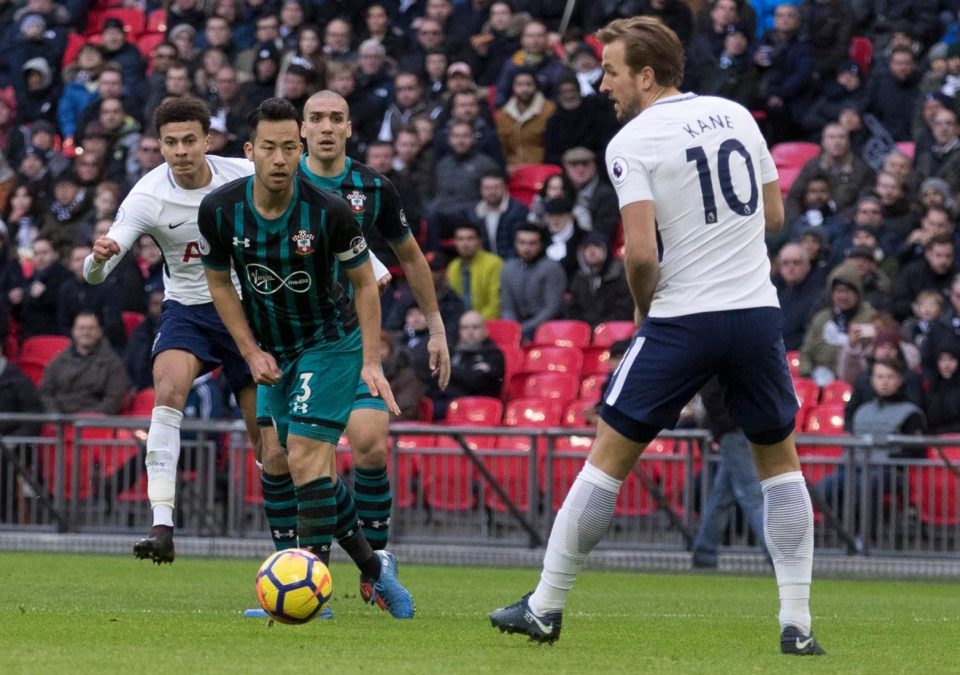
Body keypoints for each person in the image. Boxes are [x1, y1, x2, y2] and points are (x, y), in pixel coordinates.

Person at [490, 17, 824, 656]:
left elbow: (640, 254)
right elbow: (774, 216)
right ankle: (797, 624)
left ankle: (545, 606)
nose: (605, 84)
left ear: (645, 74)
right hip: (755, 313)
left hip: (683, 317)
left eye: (612, 71)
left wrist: (644, 311)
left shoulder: (631, 141)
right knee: (780, 466)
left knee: (608, 458)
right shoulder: (735, 113)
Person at [199, 97, 413, 619]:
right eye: (268, 148)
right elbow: (219, 283)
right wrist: (249, 351)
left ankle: (307, 592)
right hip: (272, 348)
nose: (279, 158)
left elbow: (366, 285)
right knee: (275, 457)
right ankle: (372, 568)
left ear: (299, 150)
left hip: (329, 342)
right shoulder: (220, 209)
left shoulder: (329, 212)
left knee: (304, 457)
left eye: (288, 148)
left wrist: (369, 361)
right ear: (250, 151)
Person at [256, 90, 450, 591]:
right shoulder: (276, 182)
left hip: (348, 341)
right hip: (285, 338)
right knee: (279, 455)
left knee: (367, 442)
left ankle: (377, 564)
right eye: (315, 118)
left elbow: (410, 257)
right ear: (300, 130)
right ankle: (294, 571)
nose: (324, 127)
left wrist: (436, 327)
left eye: (335, 118)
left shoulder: (372, 187)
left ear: (348, 128)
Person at [83, 97, 262, 565]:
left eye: (189, 140)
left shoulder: (243, 174)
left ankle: (296, 542)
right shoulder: (147, 195)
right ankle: (162, 524)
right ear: (159, 145)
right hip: (188, 309)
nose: (180, 150)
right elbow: (96, 273)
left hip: (247, 309)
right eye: (170, 142)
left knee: (268, 439)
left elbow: (316, 207)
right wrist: (96, 259)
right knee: (167, 393)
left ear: (207, 140)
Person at [690, 377, 768, 569]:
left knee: (723, 496)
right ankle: (779, 554)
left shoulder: (714, 358)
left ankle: (704, 552)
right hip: (739, 430)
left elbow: (711, 396)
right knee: (751, 495)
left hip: (734, 430)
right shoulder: (729, 358)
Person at [38, 311, 129, 415]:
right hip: (59, 420)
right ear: (73, 331)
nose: (85, 333)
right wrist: (55, 415)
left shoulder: (113, 363)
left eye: (91, 328)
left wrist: (87, 418)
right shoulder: (59, 360)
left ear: (99, 332)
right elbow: (45, 392)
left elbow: (114, 400)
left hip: (93, 423)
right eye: (81, 328)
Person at [432, 310, 505, 419]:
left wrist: (450, 372)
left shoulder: (494, 354)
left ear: (485, 330)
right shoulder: (452, 352)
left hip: (478, 408)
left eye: (475, 327)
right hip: (447, 402)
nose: (470, 332)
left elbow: (476, 382)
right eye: (465, 328)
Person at [499, 223, 566, 342]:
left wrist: (523, 328)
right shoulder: (508, 268)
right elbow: (508, 307)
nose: (526, 248)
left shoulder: (552, 268)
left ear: (541, 244)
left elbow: (552, 308)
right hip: (518, 329)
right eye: (522, 243)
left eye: (532, 243)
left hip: (548, 330)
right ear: (515, 243)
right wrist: (512, 328)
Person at [447, 222, 503, 320]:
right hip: (461, 325)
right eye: (460, 239)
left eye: (470, 238)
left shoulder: (494, 263)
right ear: (455, 242)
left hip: (487, 323)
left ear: (479, 241)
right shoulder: (453, 266)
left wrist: (475, 321)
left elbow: (496, 304)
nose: (465, 243)